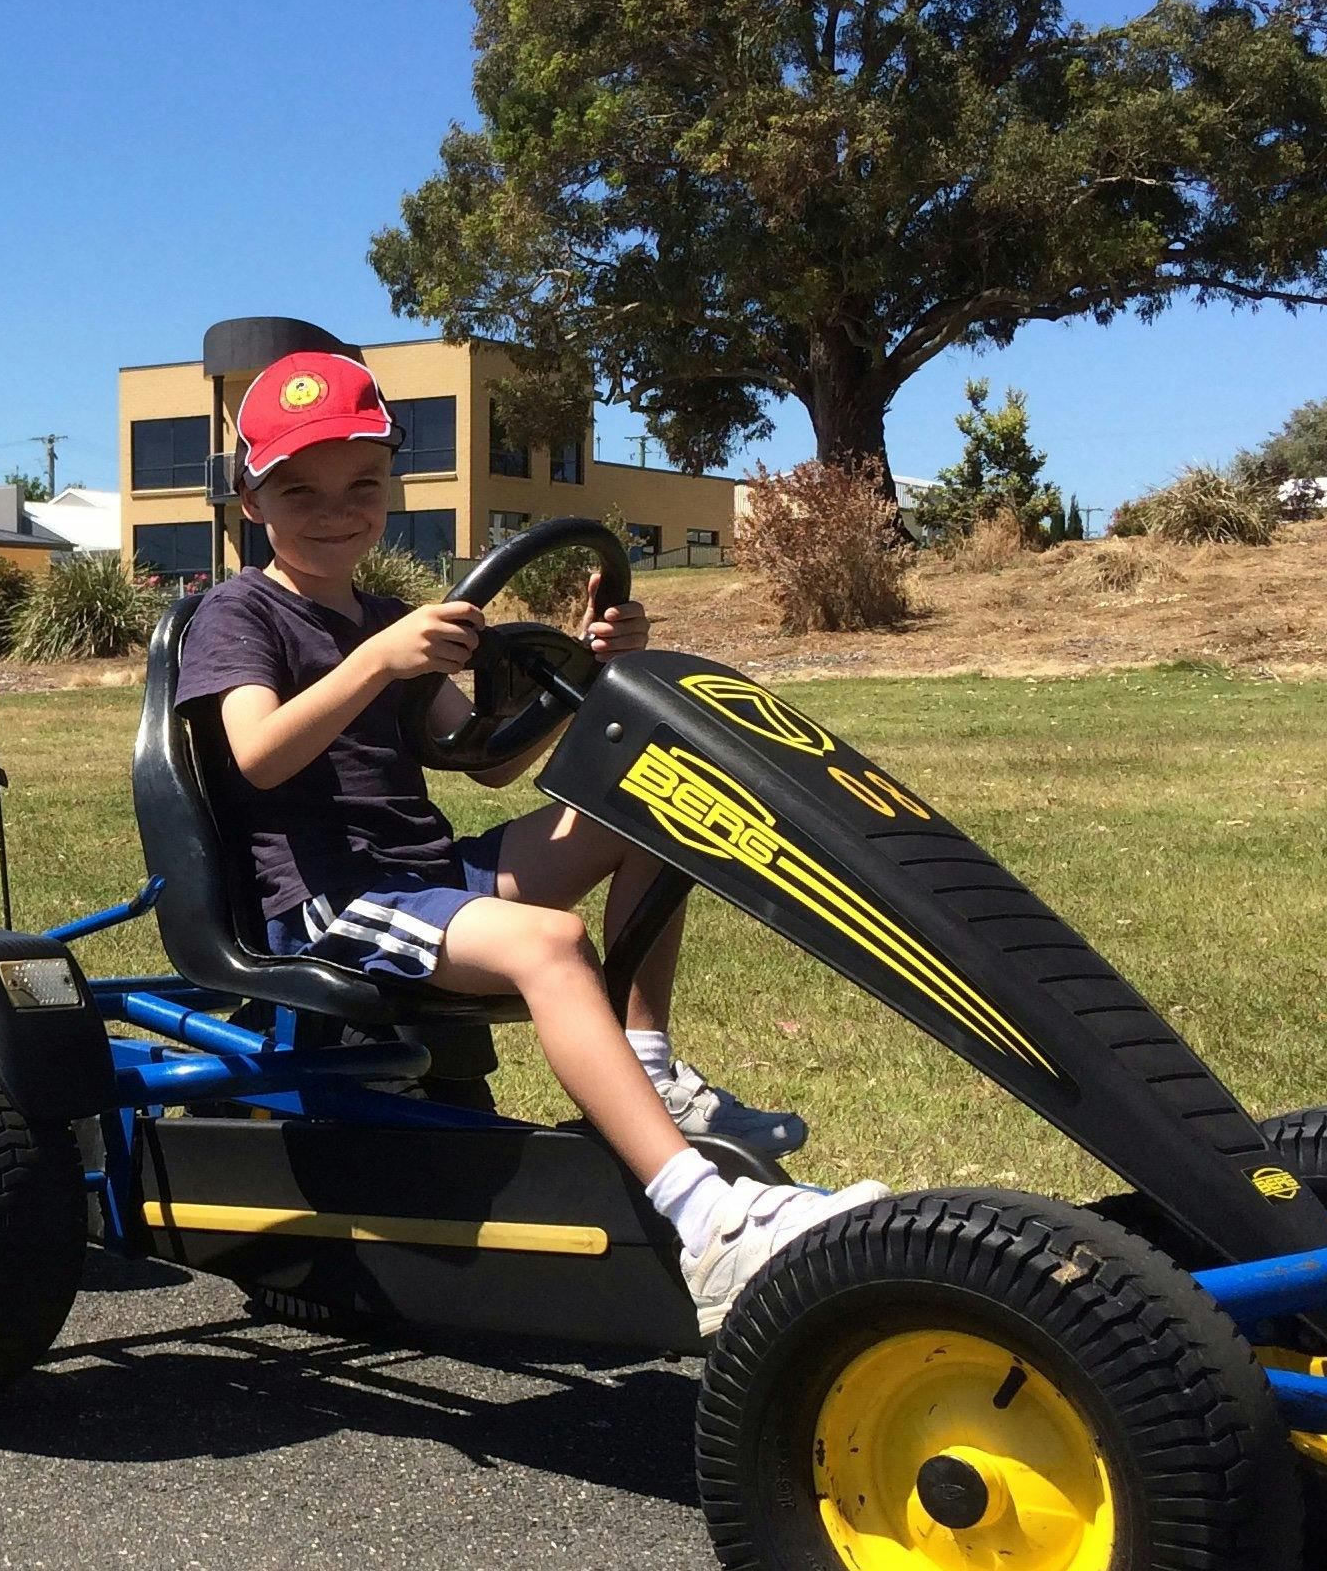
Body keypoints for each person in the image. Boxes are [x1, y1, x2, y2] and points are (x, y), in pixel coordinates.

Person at [174, 351, 883, 1327]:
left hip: (422, 873)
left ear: (390, 489)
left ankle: (652, 1071)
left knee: (652, 809)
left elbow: (488, 760)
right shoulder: (240, 612)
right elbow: (254, 755)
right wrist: (377, 662)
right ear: (251, 500)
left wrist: (583, 672)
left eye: (361, 485)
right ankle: (708, 1222)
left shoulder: (387, 618)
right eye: (299, 488)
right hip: (332, 898)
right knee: (552, 944)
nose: (335, 509)